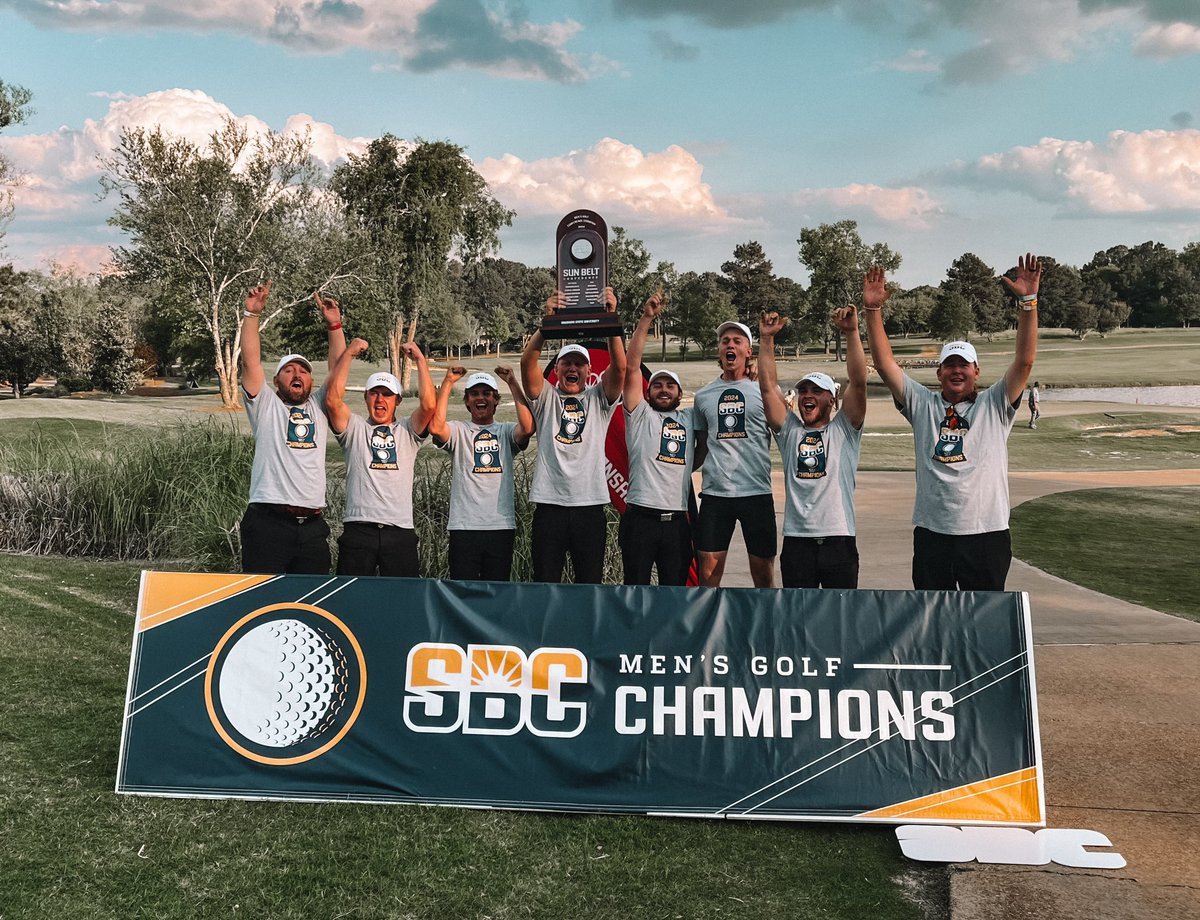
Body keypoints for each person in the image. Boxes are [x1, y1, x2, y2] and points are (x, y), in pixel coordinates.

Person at [864, 255, 1042, 591]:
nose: (956, 370)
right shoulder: (922, 404)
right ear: (939, 372)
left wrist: (1028, 303)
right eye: (950, 365)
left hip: (986, 533)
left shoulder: (995, 404)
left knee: (983, 624)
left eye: (964, 365)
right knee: (935, 623)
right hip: (934, 534)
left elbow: (1025, 360)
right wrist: (873, 312)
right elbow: (884, 364)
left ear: (976, 371)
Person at [757, 295, 867, 589]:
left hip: (839, 540)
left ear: (832, 398)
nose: (807, 395)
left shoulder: (845, 430)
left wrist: (852, 333)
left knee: (840, 620)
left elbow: (858, 382)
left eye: (817, 391)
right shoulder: (790, 431)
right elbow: (767, 388)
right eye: (803, 389)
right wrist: (766, 340)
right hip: (797, 543)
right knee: (798, 621)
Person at [520, 287, 626, 584]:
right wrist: (546, 326)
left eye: (579, 364)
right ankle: (547, 633)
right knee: (545, 584)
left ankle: (584, 633)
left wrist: (610, 319)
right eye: (566, 363)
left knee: (588, 585)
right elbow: (527, 365)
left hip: (589, 507)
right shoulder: (546, 399)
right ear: (557, 370)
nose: (572, 368)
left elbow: (620, 367)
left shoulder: (598, 400)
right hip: (549, 507)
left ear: (589, 371)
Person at [238, 284, 346, 574]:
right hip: (267, 523)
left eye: (303, 371)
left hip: (312, 528)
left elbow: (338, 367)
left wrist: (334, 325)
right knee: (263, 604)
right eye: (289, 370)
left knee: (310, 606)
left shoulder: (319, 406)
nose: (297, 374)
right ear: (276, 381)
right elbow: (250, 361)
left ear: (311, 382)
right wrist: (251, 314)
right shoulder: (265, 405)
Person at [324, 335, 435, 577]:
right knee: (351, 600)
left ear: (398, 400)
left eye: (387, 394)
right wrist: (349, 354)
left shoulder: (407, 430)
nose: (380, 399)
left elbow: (428, 406)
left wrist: (419, 359)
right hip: (358, 529)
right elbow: (332, 400)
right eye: (374, 393)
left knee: (402, 601)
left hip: (399, 531)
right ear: (365, 398)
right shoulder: (354, 429)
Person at [427, 364, 534, 581]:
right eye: (474, 394)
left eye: (487, 393)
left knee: (496, 592)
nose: (480, 398)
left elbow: (528, 427)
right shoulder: (459, 431)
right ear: (467, 401)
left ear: (496, 400)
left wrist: (512, 382)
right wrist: (448, 383)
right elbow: (437, 428)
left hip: (500, 526)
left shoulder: (504, 431)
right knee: (462, 592)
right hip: (464, 527)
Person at [619, 289, 697, 586]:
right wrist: (647, 319)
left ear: (679, 394)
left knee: (673, 592)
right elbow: (632, 366)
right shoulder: (639, 415)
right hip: (640, 519)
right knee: (635, 588)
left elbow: (700, 449)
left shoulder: (689, 418)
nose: (663, 389)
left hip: (677, 522)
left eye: (670, 386)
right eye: (657, 385)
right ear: (648, 392)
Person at [692, 320, 776, 587]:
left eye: (737, 341)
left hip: (756, 492)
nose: (730, 345)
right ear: (719, 350)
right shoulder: (703, 396)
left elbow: (785, 432)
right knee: (708, 574)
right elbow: (702, 444)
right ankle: (708, 626)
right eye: (725, 341)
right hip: (717, 495)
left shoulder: (763, 391)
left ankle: (766, 625)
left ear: (748, 351)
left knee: (763, 573)